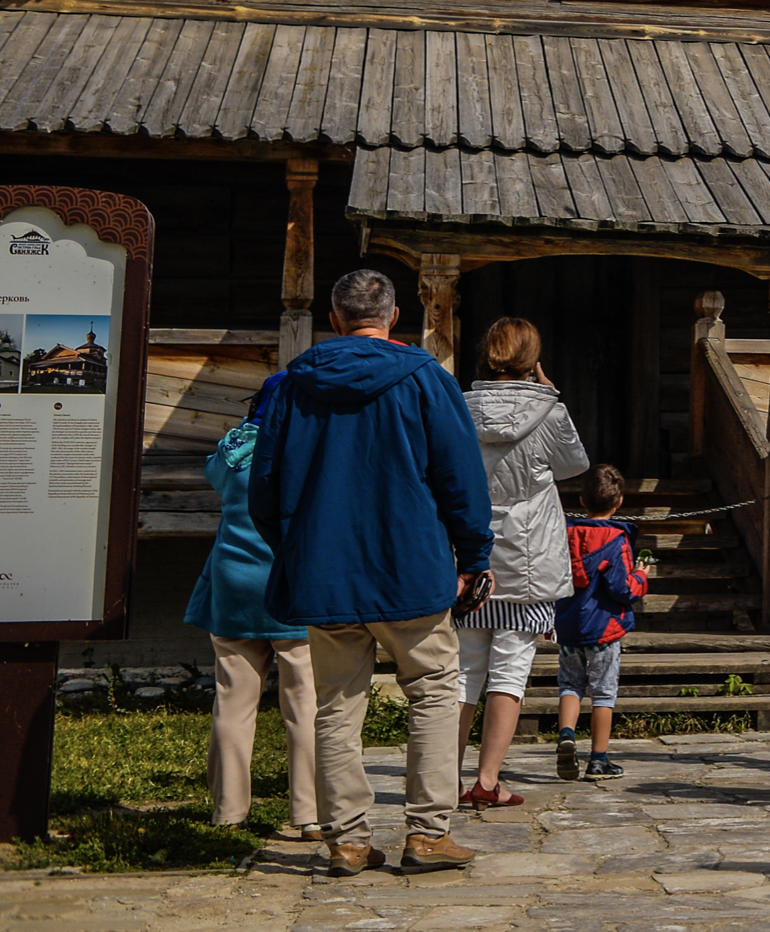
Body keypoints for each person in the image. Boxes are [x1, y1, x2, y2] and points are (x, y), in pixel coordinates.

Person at [249, 268, 491, 876]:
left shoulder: (289, 387)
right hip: (411, 567)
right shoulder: (427, 381)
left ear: (334, 320)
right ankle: (428, 834)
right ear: (392, 318)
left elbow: (264, 489)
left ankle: (349, 841)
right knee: (435, 693)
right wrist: (475, 556)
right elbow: (461, 480)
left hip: (326, 572)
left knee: (335, 705)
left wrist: (297, 546)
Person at [456, 317, 590, 810]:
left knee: (463, 673)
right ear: (533, 361)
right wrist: (554, 396)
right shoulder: (549, 412)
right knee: (509, 674)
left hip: (472, 558)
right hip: (529, 562)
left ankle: (443, 779)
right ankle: (488, 781)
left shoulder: (459, 406)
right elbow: (575, 465)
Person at [186, 372, 320, 837]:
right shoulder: (306, 448)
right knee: (304, 702)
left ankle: (228, 811)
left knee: (232, 700)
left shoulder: (235, 447)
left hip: (233, 583)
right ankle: (307, 813)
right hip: (292, 584)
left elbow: (214, 477)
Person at [555, 462, 647, 781]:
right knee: (603, 693)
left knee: (570, 685)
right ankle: (598, 759)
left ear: (582, 501)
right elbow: (622, 589)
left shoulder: (564, 534)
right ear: (619, 502)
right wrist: (641, 577)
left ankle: (567, 735)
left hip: (569, 625)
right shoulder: (617, 539)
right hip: (605, 629)